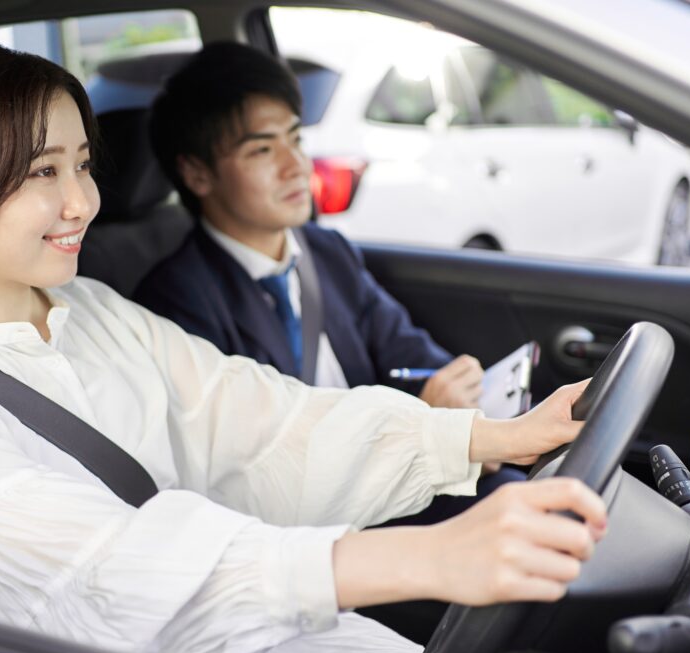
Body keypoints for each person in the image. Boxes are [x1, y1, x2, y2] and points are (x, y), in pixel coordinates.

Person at [0, 38, 606, 653]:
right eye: (44, 172)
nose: (83, 202)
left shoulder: (95, 312)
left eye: (82, 164)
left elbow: (262, 422)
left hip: (265, 639)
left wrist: (489, 437)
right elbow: (110, 579)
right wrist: (426, 556)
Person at [133, 42, 484, 412]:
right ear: (197, 173)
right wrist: (425, 423)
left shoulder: (327, 252)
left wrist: (461, 394)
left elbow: (412, 355)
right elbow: (251, 454)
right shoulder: (175, 304)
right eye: (262, 151)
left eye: (295, 139)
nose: (297, 166)